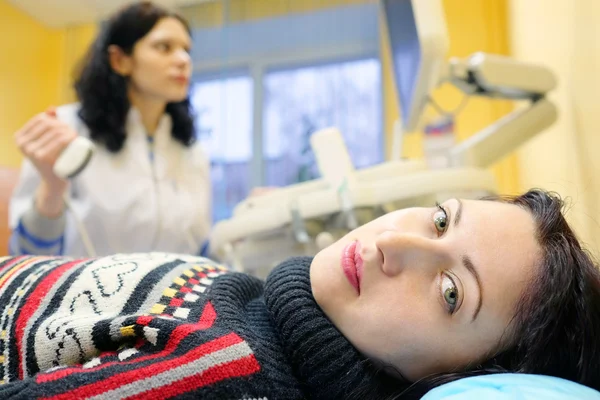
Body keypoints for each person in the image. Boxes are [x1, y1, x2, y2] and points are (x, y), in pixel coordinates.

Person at [0, 189, 598, 399]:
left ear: (454, 379)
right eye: (440, 220)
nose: (395, 243)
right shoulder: (263, 316)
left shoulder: (233, 374)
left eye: (449, 293)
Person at [9, 2, 211, 257]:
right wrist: (52, 186)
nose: (183, 60)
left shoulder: (191, 150)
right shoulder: (65, 131)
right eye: (164, 47)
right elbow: (25, 257)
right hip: (85, 294)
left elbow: (202, 248)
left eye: (186, 50)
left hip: (175, 294)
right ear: (120, 60)